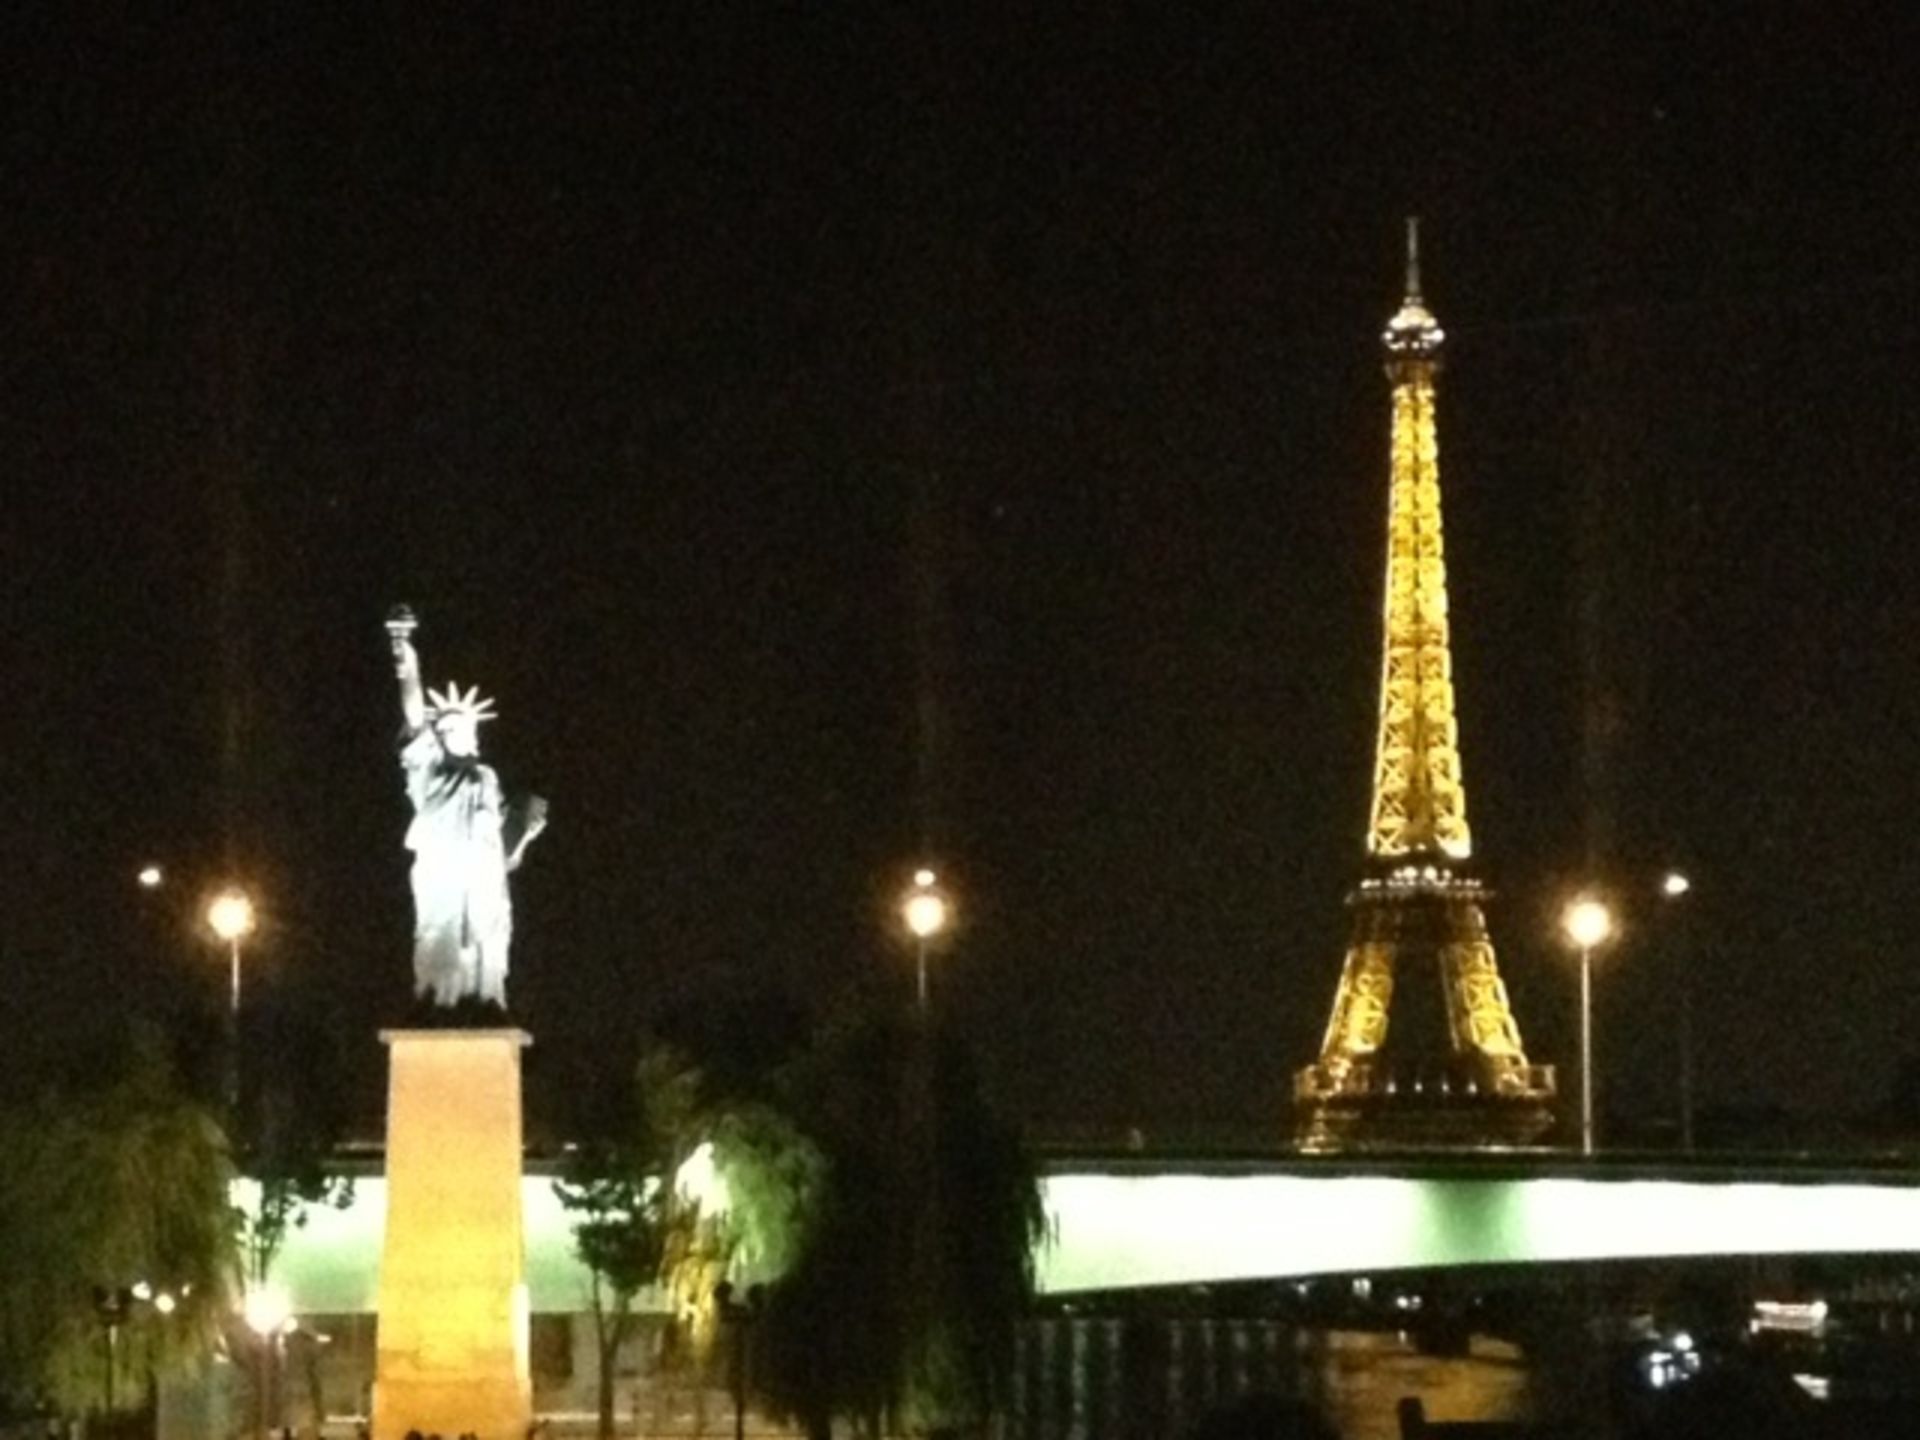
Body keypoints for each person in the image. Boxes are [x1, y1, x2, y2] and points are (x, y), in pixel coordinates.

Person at [387, 607, 548, 1009]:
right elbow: (413, 714)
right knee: (438, 934)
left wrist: (525, 836)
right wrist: (405, 655)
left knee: (485, 939)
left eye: (464, 726)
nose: (457, 733)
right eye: (448, 728)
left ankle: (484, 1001)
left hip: (483, 878)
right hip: (440, 869)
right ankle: (435, 1002)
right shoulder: (429, 768)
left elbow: (500, 850)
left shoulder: (487, 777)